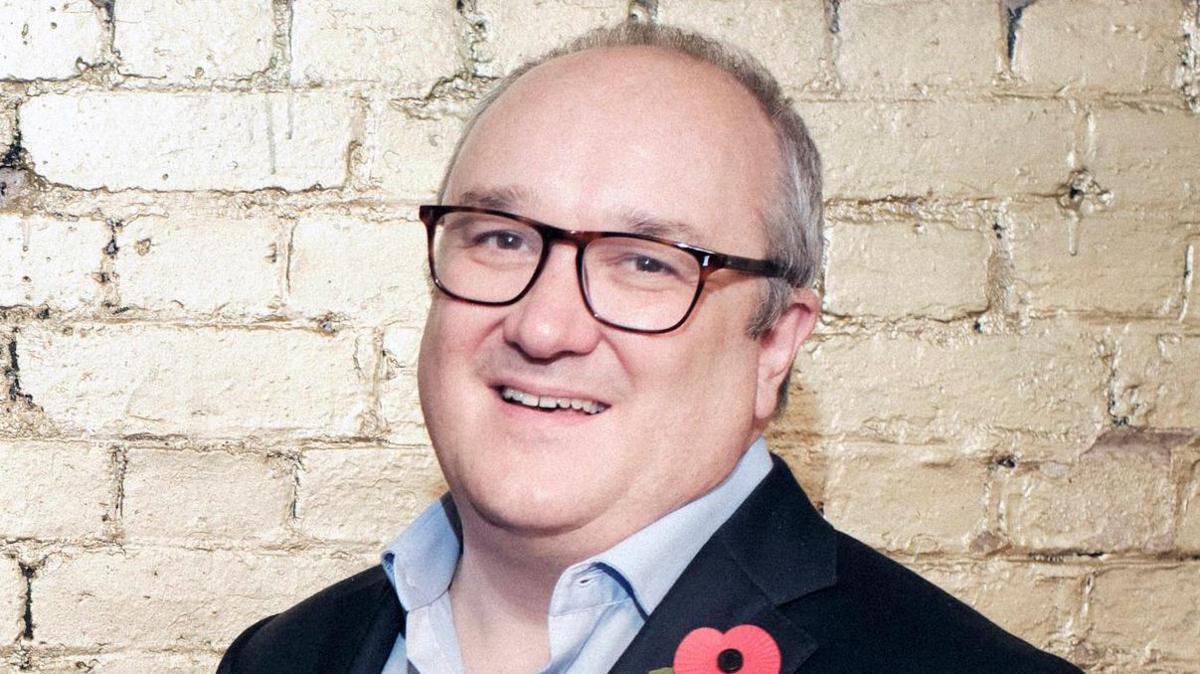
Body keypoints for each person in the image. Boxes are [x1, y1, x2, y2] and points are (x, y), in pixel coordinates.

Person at [219, 21, 1083, 674]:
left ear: (774, 344)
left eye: (645, 263)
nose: (544, 327)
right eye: (502, 239)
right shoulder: (283, 657)